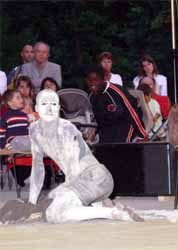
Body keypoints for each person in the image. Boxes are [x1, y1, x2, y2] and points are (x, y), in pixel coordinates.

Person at [28, 89, 143, 223]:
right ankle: (103, 204)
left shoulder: (66, 128)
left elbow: (73, 168)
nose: (48, 108)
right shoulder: (34, 130)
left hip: (95, 178)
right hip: (83, 184)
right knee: (54, 199)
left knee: (54, 213)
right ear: (36, 108)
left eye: (53, 104)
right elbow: (37, 167)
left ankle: (112, 212)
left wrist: (63, 192)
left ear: (59, 108)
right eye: (44, 104)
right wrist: (31, 201)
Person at [87, 65, 147, 143]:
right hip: (109, 126)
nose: (92, 84)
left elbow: (132, 111)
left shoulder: (116, 91)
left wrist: (142, 134)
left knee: (119, 145)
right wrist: (91, 136)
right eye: (90, 80)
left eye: (95, 80)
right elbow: (97, 120)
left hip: (127, 121)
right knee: (103, 148)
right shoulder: (91, 97)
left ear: (103, 79)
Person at [0, 90, 30, 187]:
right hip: (13, 142)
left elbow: (27, 129)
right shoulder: (6, 116)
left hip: (24, 141)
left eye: (21, 97)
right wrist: (2, 145)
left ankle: (31, 174)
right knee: (18, 141)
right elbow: (1, 132)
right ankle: (9, 158)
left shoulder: (24, 116)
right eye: (18, 98)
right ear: (9, 103)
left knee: (35, 140)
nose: (21, 99)